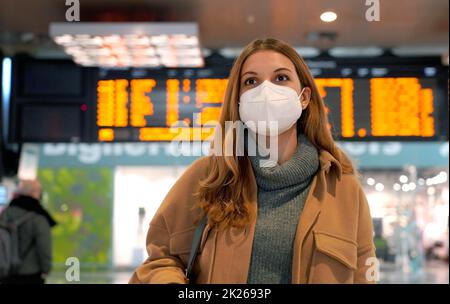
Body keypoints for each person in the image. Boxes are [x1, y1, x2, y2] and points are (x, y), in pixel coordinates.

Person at [129, 38, 377, 284]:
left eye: (281, 78)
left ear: (304, 97)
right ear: (238, 102)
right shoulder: (208, 177)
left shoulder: (344, 189)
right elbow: (161, 260)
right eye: (251, 81)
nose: (266, 91)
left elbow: (364, 277)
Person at [0, 180, 56, 284]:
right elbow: (44, 247)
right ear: (35, 192)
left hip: (6, 272)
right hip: (30, 273)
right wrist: (46, 269)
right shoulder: (38, 218)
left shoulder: (5, 213)